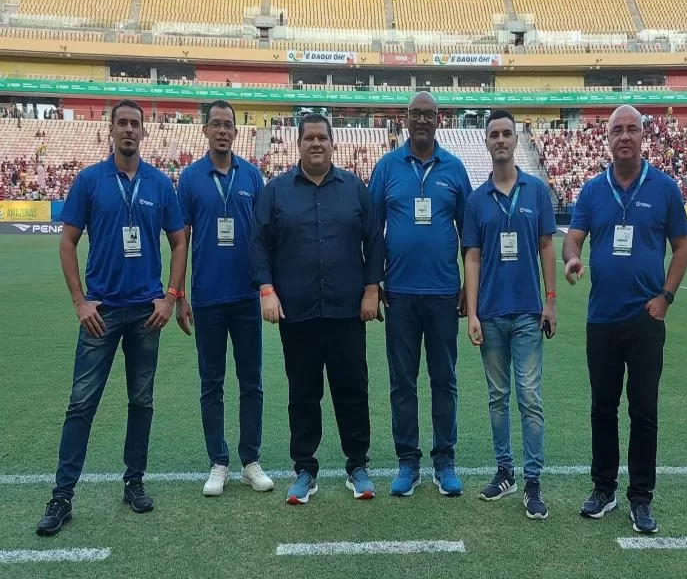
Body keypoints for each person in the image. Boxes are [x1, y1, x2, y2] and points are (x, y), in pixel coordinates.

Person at [36, 99, 187, 536]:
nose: (127, 130)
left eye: (134, 124)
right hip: (100, 312)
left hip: (146, 312)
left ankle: (133, 482)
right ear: (111, 131)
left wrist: (171, 296)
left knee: (141, 401)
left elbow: (179, 243)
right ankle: (62, 497)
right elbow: (67, 243)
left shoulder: (160, 184)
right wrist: (79, 302)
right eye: (120, 123)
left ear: (144, 132)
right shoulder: (89, 181)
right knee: (82, 403)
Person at [562, 105, 687, 534]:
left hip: (645, 320)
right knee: (602, 408)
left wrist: (666, 298)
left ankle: (641, 497)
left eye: (631, 129)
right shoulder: (592, 190)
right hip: (601, 320)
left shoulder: (665, 188)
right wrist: (574, 258)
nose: (624, 136)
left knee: (644, 411)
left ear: (642, 136)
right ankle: (604, 489)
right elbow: (573, 238)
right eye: (616, 129)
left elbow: (682, 247)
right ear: (607, 138)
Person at [251, 113, 385, 504]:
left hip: (347, 311)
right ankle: (305, 470)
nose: (315, 144)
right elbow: (258, 244)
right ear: (299, 144)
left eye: (321, 138)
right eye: (308, 138)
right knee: (303, 393)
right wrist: (267, 290)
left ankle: (357, 465)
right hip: (297, 312)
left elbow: (375, 240)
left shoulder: (355, 189)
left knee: (352, 390)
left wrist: (372, 290)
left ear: (332, 144)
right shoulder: (276, 192)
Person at [368, 91, 473, 497]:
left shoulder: (455, 169)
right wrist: (373, 282)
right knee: (402, 381)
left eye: (429, 114)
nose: (423, 120)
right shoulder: (387, 167)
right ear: (406, 119)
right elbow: (373, 230)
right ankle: (407, 462)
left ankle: (444, 460)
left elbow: (470, 236)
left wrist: (468, 285)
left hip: (445, 293)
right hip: (399, 295)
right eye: (416, 114)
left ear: (439, 120)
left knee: (444, 379)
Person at [176, 100, 273, 497]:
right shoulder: (190, 178)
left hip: (247, 295)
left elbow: (265, 237)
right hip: (208, 297)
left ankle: (250, 460)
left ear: (236, 131)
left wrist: (268, 287)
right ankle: (218, 462)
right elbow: (180, 240)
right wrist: (179, 295)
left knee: (252, 382)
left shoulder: (251, 176)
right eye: (215, 124)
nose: (221, 130)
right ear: (205, 131)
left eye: (228, 125)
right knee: (211, 382)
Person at [463, 109, 557, 520]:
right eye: (493, 134)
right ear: (485, 142)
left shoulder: (536, 191)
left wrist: (550, 300)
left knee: (530, 398)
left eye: (506, 133)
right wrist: (472, 312)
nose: (500, 140)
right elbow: (472, 256)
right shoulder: (475, 200)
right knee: (497, 398)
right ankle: (506, 472)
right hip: (491, 313)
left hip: (527, 314)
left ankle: (533, 479)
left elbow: (547, 248)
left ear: (516, 140)